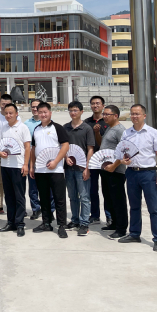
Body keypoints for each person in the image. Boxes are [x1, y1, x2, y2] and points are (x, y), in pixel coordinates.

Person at [117, 104, 157, 252]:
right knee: (134, 206)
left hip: (148, 173)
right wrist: (124, 160)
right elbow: (123, 152)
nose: (134, 116)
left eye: (137, 114)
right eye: (132, 114)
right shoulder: (126, 133)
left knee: (153, 207)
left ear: (144, 115)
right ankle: (134, 233)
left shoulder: (153, 133)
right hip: (132, 173)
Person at [29, 102, 69, 238]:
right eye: (40, 112)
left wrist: (56, 161)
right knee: (44, 198)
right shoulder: (36, 129)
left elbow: (65, 145)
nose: (43, 114)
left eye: (45, 112)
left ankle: (62, 225)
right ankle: (46, 223)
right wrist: (32, 166)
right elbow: (33, 149)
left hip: (56, 170)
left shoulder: (57, 128)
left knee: (59, 199)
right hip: (40, 170)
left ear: (50, 113)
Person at [0, 104, 32, 237]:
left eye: (11, 113)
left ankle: (20, 224)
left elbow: (27, 147)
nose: (8, 115)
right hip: (5, 166)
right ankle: (11, 222)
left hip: (18, 166)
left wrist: (25, 164)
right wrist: (0, 153)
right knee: (9, 196)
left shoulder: (23, 127)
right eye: (6, 113)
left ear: (16, 113)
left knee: (19, 196)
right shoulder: (3, 128)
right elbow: (0, 145)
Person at [63, 101, 95, 236]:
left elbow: (90, 149)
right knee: (72, 196)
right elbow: (62, 146)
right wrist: (66, 157)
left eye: (75, 110)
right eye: (71, 110)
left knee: (84, 196)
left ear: (81, 112)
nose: (73, 113)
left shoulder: (87, 128)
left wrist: (87, 167)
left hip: (82, 168)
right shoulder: (65, 127)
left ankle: (84, 223)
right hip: (69, 167)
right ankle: (75, 220)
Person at [98, 105, 128, 239]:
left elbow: (125, 151)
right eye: (103, 114)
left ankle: (121, 228)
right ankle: (114, 223)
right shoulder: (109, 128)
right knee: (109, 198)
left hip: (116, 171)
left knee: (118, 200)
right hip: (106, 169)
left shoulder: (120, 130)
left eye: (107, 114)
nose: (104, 117)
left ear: (116, 116)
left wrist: (114, 165)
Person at [0, 94, 20, 215]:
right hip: (0, 154)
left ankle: (17, 205)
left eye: (7, 104)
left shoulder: (18, 119)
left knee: (14, 182)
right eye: (3, 104)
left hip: (14, 156)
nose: (5, 106)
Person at [84, 95, 110, 225]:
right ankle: (94, 215)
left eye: (98, 103)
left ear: (103, 106)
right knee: (92, 189)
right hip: (92, 160)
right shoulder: (86, 122)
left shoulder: (108, 122)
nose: (95, 106)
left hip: (106, 161)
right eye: (93, 103)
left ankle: (109, 215)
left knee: (107, 189)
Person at [22, 99, 44, 221]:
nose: (35, 109)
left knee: (46, 185)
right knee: (32, 185)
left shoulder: (47, 122)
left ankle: (49, 209)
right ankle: (36, 208)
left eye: (37, 107)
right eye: (33, 107)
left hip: (45, 157)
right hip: (31, 157)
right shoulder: (26, 124)